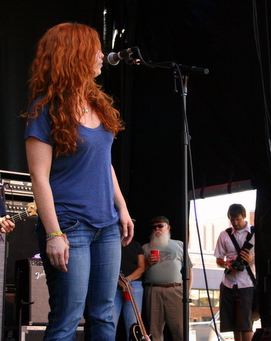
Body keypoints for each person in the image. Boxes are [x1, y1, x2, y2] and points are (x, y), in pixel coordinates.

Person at [23, 22, 134, 340]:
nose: (102, 55)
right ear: (75, 55)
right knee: (67, 319)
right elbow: (39, 177)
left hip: (107, 228)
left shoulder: (98, 104)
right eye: (94, 49)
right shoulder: (44, 109)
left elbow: (104, 163)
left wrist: (122, 208)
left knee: (104, 316)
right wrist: (54, 233)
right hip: (70, 226)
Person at [142, 216, 193, 341]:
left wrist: (187, 290)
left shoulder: (179, 244)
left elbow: (189, 269)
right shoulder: (145, 248)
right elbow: (139, 271)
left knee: (180, 330)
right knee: (154, 331)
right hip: (153, 290)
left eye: (160, 226)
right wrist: (147, 262)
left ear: (168, 227)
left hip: (175, 290)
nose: (157, 229)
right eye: (154, 227)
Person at [214, 204, 256, 341]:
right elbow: (219, 259)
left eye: (237, 219)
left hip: (247, 283)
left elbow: (265, 257)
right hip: (228, 283)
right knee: (232, 325)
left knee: (246, 324)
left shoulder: (255, 233)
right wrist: (227, 264)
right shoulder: (224, 235)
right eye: (232, 220)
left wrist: (251, 259)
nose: (235, 223)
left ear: (244, 216)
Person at [114, 240, 146, 340]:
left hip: (134, 284)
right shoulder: (111, 242)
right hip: (114, 284)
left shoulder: (136, 244)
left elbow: (142, 267)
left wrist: (127, 280)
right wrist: (120, 281)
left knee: (133, 325)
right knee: (110, 322)